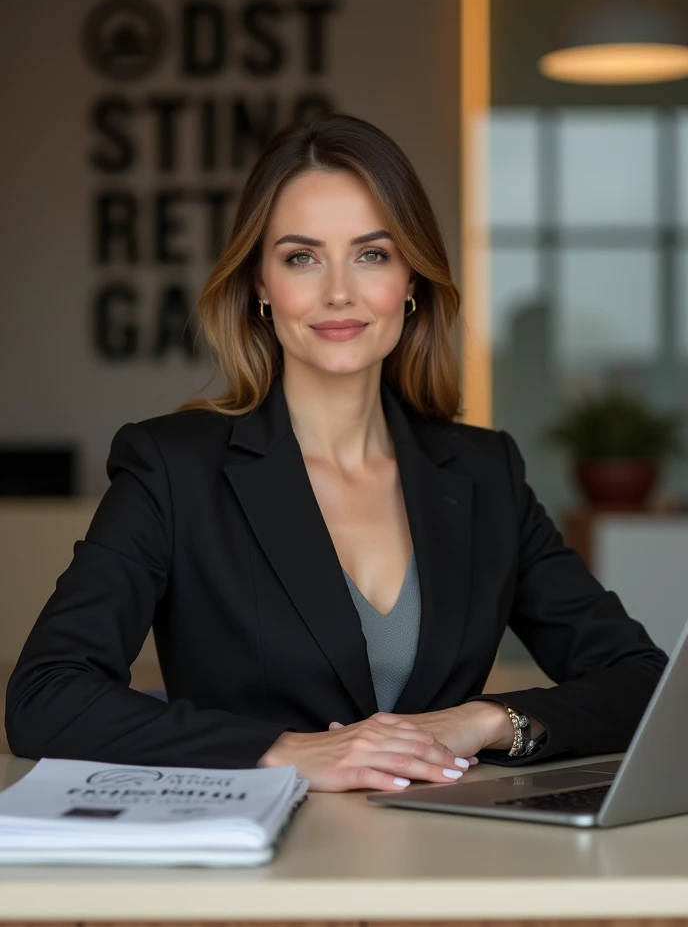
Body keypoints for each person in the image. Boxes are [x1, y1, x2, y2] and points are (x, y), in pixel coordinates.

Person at [5, 112, 667, 793]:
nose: (339, 292)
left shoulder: (483, 473)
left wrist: (487, 720)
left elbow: (644, 681)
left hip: (449, 862)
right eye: (302, 257)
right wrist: (284, 751)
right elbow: (46, 697)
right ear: (260, 283)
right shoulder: (171, 470)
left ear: (411, 278)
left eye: (372, 254)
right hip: (249, 874)